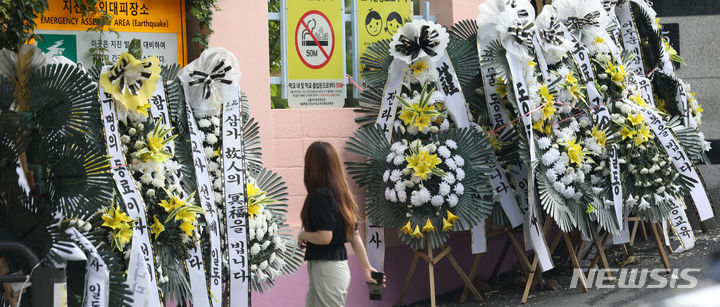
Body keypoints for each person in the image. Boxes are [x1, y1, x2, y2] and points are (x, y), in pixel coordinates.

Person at [297, 141, 386, 307]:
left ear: (311, 166)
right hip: (335, 269)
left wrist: (302, 235)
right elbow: (355, 235)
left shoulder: (320, 195)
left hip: (326, 270)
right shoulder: (341, 194)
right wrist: (366, 268)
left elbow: (324, 237)